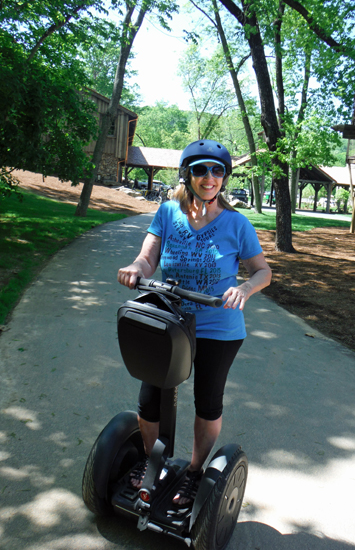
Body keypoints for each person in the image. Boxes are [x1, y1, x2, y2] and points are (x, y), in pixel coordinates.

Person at [117, 139, 272, 507]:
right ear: (187, 174)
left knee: (207, 402)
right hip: (169, 321)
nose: (210, 177)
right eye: (201, 169)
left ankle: (194, 472)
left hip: (219, 327)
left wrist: (245, 288)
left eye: (217, 170)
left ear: (224, 177)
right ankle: (151, 463)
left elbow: (263, 271)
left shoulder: (237, 224)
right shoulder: (168, 212)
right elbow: (147, 257)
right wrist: (136, 269)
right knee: (150, 398)